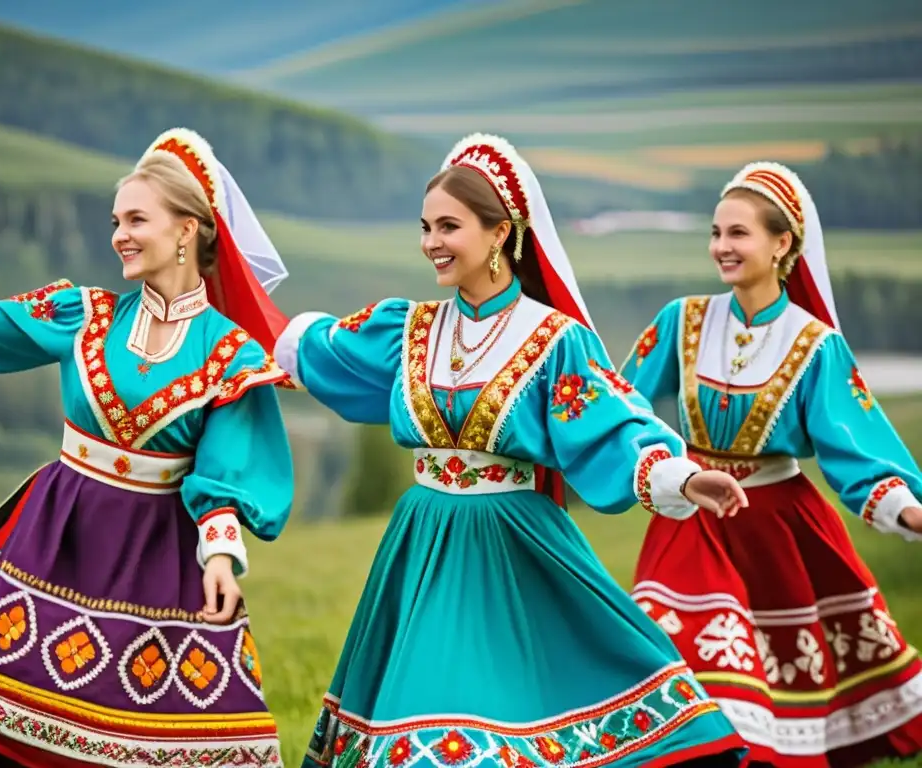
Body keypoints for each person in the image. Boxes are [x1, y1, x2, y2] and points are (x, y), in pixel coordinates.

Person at [273, 133, 750, 767]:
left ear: (500, 233)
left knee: (490, 729)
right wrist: (223, 307)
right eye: (425, 226)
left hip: (511, 544)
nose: (431, 242)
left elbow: (611, 424)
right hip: (421, 544)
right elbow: (311, 350)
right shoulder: (407, 329)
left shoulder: (553, 341)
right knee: (412, 729)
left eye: (449, 225)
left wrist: (682, 478)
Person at [0, 127, 296, 768]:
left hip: (157, 557)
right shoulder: (85, 315)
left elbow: (228, 466)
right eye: (117, 220)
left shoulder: (231, 354)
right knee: (21, 735)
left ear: (187, 231)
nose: (120, 235)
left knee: (143, 744)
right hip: (58, 539)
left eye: (138, 218)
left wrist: (221, 554)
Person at [619, 161, 922, 766]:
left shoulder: (814, 344)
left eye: (738, 234)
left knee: (776, 701)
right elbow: (618, 401)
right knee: (685, 679)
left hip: (777, 529)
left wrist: (908, 511)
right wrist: (651, 459)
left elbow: (854, 444)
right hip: (693, 520)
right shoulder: (681, 321)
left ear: (782, 243)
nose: (721, 248)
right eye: (716, 233)